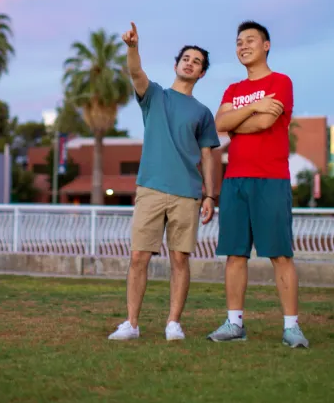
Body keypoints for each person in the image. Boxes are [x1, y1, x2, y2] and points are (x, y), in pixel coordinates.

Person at [109, 22, 220, 342]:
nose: (190, 62)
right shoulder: (154, 95)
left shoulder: (203, 112)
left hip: (187, 193)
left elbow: (209, 156)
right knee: (138, 257)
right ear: (176, 64)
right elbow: (135, 73)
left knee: (180, 259)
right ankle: (131, 323)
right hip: (151, 189)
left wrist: (210, 196)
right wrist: (132, 47)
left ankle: (174, 323)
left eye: (197, 61)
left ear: (201, 74)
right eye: (186, 58)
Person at [207, 20, 309, 348]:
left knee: (280, 254)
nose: (243, 46)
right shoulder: (233, 90)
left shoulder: (281, 81)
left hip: (271, 179)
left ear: (266, 45)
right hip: (235, 180)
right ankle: (234, 323)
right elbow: (220, 124)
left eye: (250, 40)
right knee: (235, 255)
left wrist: (240, 120)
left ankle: (292, 328)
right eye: (238, 42)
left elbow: (266, 123)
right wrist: (251, 107)